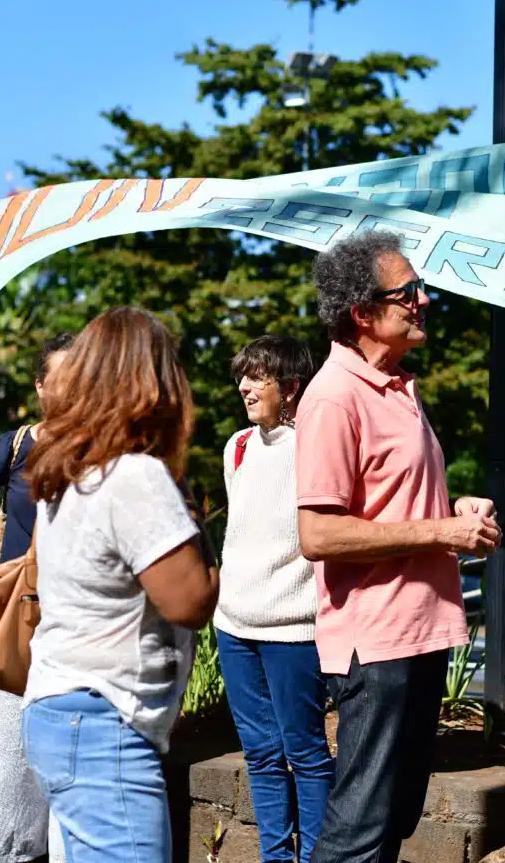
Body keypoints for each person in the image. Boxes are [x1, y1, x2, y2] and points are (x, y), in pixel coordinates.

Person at [295, 230, 501, 863]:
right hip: (378, 644)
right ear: (364, 313)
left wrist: (451, 509)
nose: (424, 300)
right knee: (358, 831)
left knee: (393, 820)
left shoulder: (398, 388)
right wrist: (441, 532)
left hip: (420, 635)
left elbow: (388, 507)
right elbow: (319, 534)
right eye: (408, 292)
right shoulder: (334, 397)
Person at [20, 307, 219, 863]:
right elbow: (190, 600)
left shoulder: (69, 470)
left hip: (62, 708)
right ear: (154, 384)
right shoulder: (133, 476)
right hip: (103, 720)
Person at [215, 335, 335, 863]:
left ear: (291, 386)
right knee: (260, 755)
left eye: (257, 376)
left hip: (293, 630)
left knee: (306, 752)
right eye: (243, 375)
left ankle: (314, 857)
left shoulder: (318, 444)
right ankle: (275, 858)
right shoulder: (237, 447)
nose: (244, 386)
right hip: (233, 626)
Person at [0, 333, 73, 863]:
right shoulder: (15, 446)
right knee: (12, 780)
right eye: (60, 379)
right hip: (18, 627)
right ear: (40, 386)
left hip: (77, 632)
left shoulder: (110, 455)